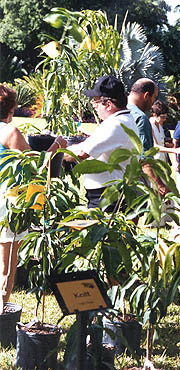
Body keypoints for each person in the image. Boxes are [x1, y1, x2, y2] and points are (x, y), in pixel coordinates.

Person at [0, 85, 66, 314]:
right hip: (8, 203)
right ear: (10, 109)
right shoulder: (10, 133)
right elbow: (38, 167)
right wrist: (57, 145)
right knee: (6, 265)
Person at [64, 75, 139, 209]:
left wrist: (56, 152)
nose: (94, 106)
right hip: (114, 190)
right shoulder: (126, 120)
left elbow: (82, 153)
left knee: (100, 229)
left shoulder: (115, 124)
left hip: (107, 195)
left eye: (96, 102)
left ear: (108, 104)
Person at [127, 78, 170, 196]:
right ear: (146, 95)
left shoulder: (118, 111)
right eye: (154, 97)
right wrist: (160, 185)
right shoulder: (141, 118)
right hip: (136, 182)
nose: (153, 102)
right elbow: (145, 158)